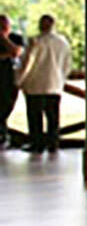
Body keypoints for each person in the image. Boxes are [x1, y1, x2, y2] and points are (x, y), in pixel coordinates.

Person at [16, 15, 71, 154]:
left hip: (35, 85)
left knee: (35, 117)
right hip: (55, 84)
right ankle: (53, 143)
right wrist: (62, 79)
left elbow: (27, 63)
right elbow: (67, 64)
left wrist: (18, 80)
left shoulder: (35, 41)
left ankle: (37, 143)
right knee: (53, 117)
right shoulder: (63, 42)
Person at [0, 15, 23, 148]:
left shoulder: (15, 38)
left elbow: (16, 52)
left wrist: (4, 38)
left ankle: (3, 134)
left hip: (10, 78)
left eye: (5, 25)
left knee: (7, 105)